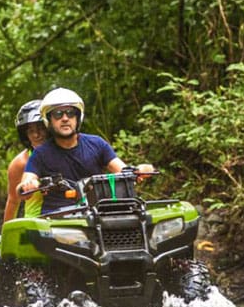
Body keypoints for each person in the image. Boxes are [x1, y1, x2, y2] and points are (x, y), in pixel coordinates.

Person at [17, 87, 153, 215]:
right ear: (49, 120)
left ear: (77, 118)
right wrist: (28, 185)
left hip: (97, 212)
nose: (65, 118)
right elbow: (25, 184)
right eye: (58, 114)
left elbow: (123, 170)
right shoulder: (41, 153)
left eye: (70, 113)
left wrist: (141, 170)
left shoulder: (97, 143)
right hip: (57, 219)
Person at [3, 99, 48, 221]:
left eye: (40, 128)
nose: (36, 135)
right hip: (36, 222)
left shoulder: (67, 150)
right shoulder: (20, 162)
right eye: (31, 131)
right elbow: (13, 202)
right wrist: (6, 235)